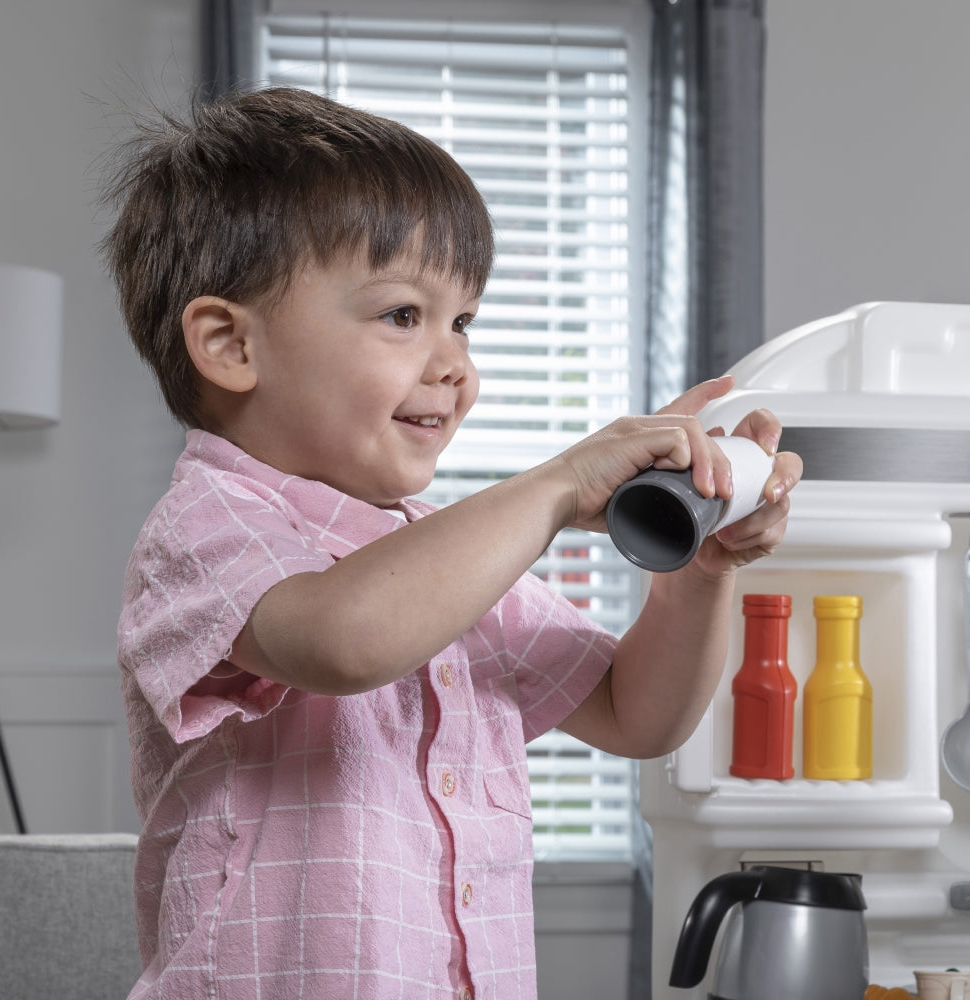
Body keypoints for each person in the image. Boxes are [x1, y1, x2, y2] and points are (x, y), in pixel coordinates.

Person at [101, 86, 802, 1000]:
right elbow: (347, 639)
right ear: (231, 345)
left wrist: (698, 570)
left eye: (464, 320)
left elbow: (640, 714)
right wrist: (558, 483)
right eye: (403, 315)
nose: (456, 364)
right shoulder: (205, 528)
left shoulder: (447, 556)